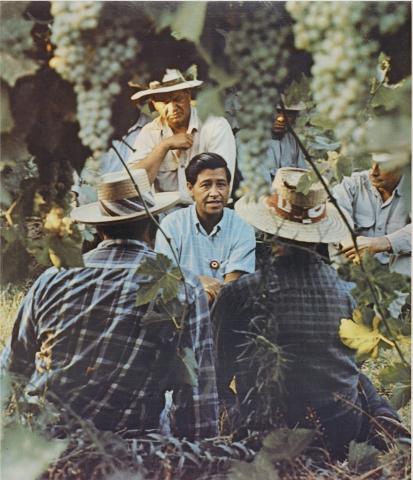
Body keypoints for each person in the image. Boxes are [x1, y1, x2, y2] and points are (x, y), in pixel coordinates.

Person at [1, 169, 219, 440]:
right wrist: (201, 454)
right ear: (152, 223)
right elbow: (196, 393)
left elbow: (11, 368)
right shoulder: (182, 285)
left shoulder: (52, 278)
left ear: (99, 227)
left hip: (49, 445)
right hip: (131, 447)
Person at [212, 167, 408, 458]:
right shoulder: (345, 293)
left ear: (269, 231)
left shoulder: (239, 293)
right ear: (319, 234)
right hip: (340, 432)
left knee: (215, 394)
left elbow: (215, 375)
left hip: (267, 434)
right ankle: (389, 426)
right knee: (357, 381)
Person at [155, 153, 256, 303]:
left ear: (229, 187)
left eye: (221, 184)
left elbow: (230, 292)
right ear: (190, 188)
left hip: (222, 316)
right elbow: (165, 278)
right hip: (178, 314)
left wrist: (190, 283)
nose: (215, 193)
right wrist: (197, 281)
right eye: (206, 185)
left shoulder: (242, 227)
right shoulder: (171, 225)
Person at [129, 69, 236, 201]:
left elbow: (222, 190)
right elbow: (132, 186)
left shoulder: (215, 126)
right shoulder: (149, 132)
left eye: (177, 99)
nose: (172, 108)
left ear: (188, 95)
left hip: (206, 216)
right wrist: (164, 146)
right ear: (154, 104)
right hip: (163, 219)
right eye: (164, 102)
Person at [333, 152, 411, 276]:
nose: (373, 172)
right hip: (354, 274)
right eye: (370, 162)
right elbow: (334, 211)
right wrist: (348, 242)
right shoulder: (352, 183)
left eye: (383, 165)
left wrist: (383, 243)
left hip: (399, 279)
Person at [264, 98, 307, 183]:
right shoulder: (249, 140)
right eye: (276, 112)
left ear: (295, 118)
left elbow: (302, 175)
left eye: (289, 114)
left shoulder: (293, 140)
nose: (281, 119)